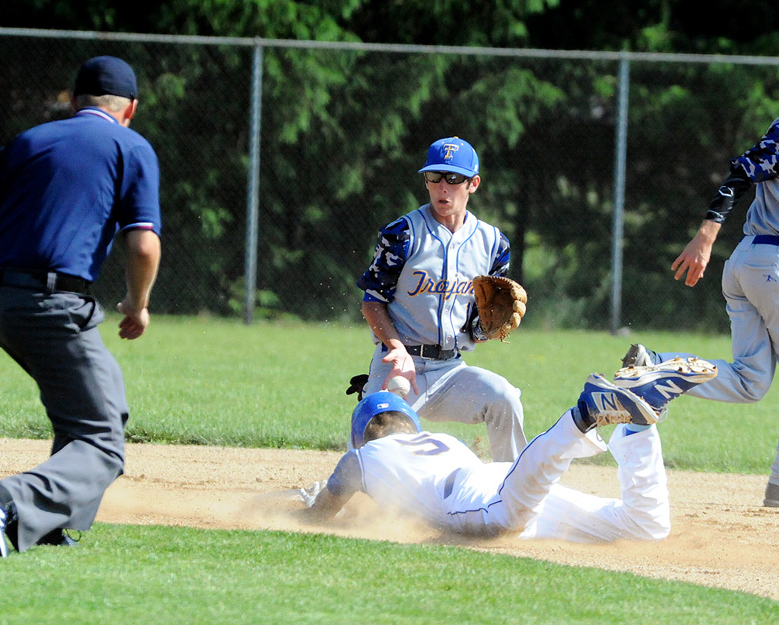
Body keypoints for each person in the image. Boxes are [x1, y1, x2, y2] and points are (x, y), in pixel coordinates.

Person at [625, 40, 779, 510]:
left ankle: (653, 368)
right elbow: (743, 172)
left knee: (749, 381)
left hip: (754, 263)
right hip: (778, 262)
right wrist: (705, 236)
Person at [0, 56, 162, 555]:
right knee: (102, 440)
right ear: (131, 108)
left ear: (74, 102)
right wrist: (138, 305)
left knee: (99, 408)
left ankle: (44, 525)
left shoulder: (29, 140)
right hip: (50, 302)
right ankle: (4, 501)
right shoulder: (130, 146)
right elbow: (142, 245)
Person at [299, 357, 717, 542]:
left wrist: (301, 503)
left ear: (361, 435)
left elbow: (321, 512)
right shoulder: (439, 441)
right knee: (645, 528)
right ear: (412, 425)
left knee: (506, 518)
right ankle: (641, 427)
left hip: (476, 498)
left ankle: (585, 413)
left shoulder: (361, 459)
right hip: (494, 478)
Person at [355, 136, 525, 461]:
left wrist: (486, 330)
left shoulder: (493, 244)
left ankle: (512, 493)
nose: (442, 187)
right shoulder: (402, 234)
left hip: (451, 370)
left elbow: (476, 325)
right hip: (398, 368)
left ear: (473, 184)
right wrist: (396, 348)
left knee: (504, 398)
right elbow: (372, 301)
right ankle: (321, 501)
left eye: (453, 178)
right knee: (375, 462)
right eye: (434, 177)